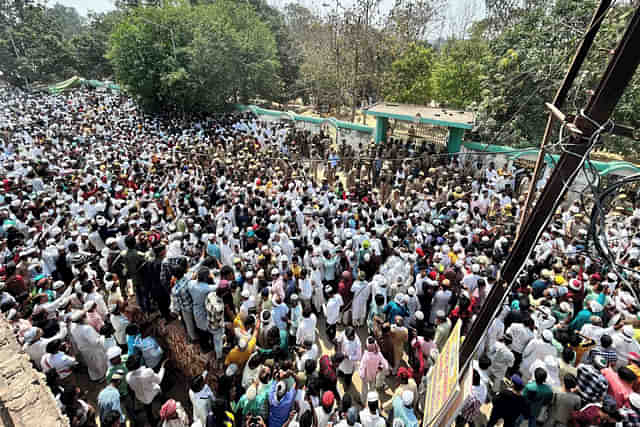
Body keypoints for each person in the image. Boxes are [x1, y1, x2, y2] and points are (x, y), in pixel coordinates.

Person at [126, 354, 167, 425]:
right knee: (161, 396)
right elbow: (159, 380)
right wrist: (162, 368)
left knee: (148, 410)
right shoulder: (147, 372)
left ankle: (152, 422)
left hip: (141, 397)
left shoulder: (128, 377)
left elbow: (132, 388)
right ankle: (166, 410)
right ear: (139, 363)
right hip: (152, 393)